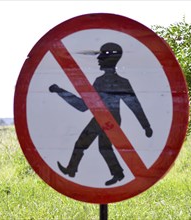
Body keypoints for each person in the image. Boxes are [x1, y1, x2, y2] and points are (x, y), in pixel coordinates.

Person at [49, 42, 153, 186]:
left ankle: (74, 170)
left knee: (91, 145)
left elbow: (134, 105)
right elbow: (85, 105)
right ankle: (116, 174)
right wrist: (60, 91)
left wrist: (146, 126)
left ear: (109, 60)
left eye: (101, 57)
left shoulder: (117, 82)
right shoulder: (104, 81)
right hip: (103, 118)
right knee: (101, 147)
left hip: (108, 120)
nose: (98, 59)